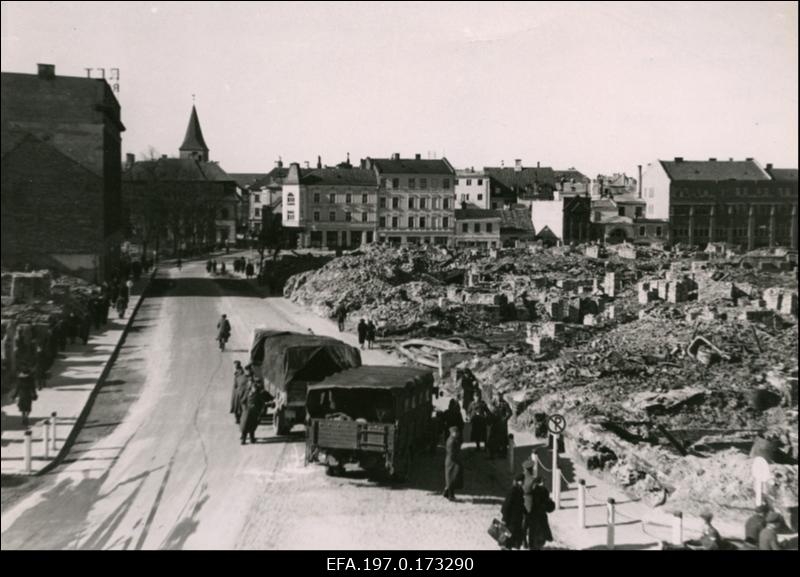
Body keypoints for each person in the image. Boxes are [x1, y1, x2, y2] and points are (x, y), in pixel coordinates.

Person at [522, 469, 554, 550]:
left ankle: (529, 544)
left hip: (532, 515)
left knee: (532, 533)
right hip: (540, 516)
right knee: (540, 534)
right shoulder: (544, 491)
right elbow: (548, 504)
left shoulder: (532, 491)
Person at [501, 473, 526, 549]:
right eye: (520, 481)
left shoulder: (520, 491)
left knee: (516, 539)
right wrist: (504, 518)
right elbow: (506, 506)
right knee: (508, 538)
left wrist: (526, 512)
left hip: (518, 519)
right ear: (517, 481)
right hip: (511, 520)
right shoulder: (512, 491)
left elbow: (521, 505)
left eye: (522, 481)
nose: (522, 482)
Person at [240, 377, 267, 445]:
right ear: (251, 388)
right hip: (247, 412)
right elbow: (243, 401)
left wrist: (260, 411)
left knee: (252, 426)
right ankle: (243, 440)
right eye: (253, 388)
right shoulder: (247, 394)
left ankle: (252, 439)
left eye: (255, 388)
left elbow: (262, 404)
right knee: (244, 426)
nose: (254, 389)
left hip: (254, 413)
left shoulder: (258, 395)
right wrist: (244, 409)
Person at [487, 394, 512, 459]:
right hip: (494, 423)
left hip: (501, 425)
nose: (498, 397)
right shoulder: (493, 403)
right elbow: (490, 412)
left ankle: (503, 454)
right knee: (492, 438)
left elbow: (509, 413)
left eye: (499, 396)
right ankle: (492, 454)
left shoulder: (505, 404)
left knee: (502, 440)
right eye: (496, 396)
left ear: (501, 396)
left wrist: (504, 419)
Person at [443, 426, 463, 501]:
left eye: (457, 432)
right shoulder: (451, 441)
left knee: (451, 479)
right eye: (456, 432)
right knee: (452, 479)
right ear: (452, 433)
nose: (457, 434)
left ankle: (447, 493)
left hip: (452, 462)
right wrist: (457, 460)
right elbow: (452, 453)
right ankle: (450, 496)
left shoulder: (452, 439)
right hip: (452, 462)